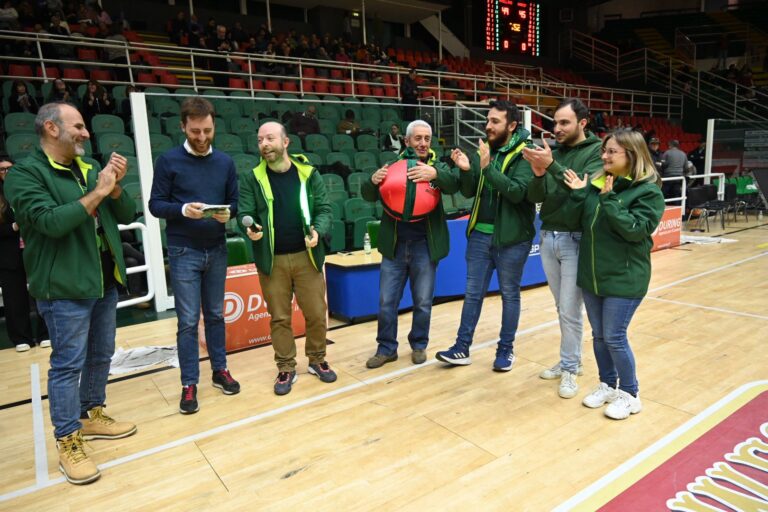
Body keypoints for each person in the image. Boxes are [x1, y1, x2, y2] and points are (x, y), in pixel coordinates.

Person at [5, 103, 137, 484]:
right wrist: (98, 192)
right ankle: (68, 439)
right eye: (78, 127)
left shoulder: (92, 168)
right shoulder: (25, 175)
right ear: (51, 128)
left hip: (103, 280)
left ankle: (92, 412)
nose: (86, 133)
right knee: (66, 366)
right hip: (64, 288)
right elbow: (49, 222)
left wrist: (114, 190)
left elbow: (125, 213)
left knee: (101, 354)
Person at [562, 129, 664, 420]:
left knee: (615, 337)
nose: (604, 156)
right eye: (604, 151)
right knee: (600, 336)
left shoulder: (647, 191)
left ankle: (631, 394)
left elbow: (635, 230)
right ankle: (608, 384)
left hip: (625, 278)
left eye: (611, 152)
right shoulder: (599, 184)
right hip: (593, 276)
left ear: (631, 155)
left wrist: (609, 201)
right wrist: (582, 194)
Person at [149, 96, 240, 415]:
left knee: (216, 315)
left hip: (216, 248)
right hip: (183, 249)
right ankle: (189, 383)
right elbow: (155, 205)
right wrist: (182, 210)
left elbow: (235, 203)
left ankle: (220, 370)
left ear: (214, 126)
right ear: (183, 127)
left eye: (207, 131)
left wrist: (227, 215)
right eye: (195, 131)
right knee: (188, 322)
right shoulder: (168, 161)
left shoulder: (225, 163)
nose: (201, 138)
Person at [435, 100, 535, 371]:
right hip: (480, 235)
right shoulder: (484, 150)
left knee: (510, 295)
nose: (488, 126)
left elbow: (516, 192)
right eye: (488, 120)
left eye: (495, 122)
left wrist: (488, 167)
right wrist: (467, 169)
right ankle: (461, 348)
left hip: (512, 238)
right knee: (472, 293)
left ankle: (505, 350)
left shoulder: (527, 154)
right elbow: (469, 192)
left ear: (512, 126)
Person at [238, 122, 335, 396]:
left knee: (316, 313)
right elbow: (243, 213)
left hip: (308, 257)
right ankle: (286, 367)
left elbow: (325, 209)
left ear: (286, 142)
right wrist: (248, 229)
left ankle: (317, 360)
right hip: (273, 261)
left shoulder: (308, 174)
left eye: (270, 138)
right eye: (260, 140)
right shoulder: (252, 178)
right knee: (279, 318)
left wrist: (319, 229)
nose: (264, 144)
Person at [522, 98, 604, 398]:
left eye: (564, 122)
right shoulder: (552, 154)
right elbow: (535, 195)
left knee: (570, 308)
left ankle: (570, 368)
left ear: (583, 123)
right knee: (561, 306)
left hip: (576, 238)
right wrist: (540, 173)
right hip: (548, 236)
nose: (556, 128)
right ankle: (573, 361)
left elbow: (583, 189)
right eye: (555, 122)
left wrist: (552, 166)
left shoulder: (597, 153)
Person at [362, 120, 459, 369]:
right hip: (395, 244)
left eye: (427, 138)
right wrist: (373, 180)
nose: (423, 143)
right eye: (418, 138)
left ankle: (419, 344)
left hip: (424, 245)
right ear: (407, 141)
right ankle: (386, 349)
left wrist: (436, 174)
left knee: (423, 301)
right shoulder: (393, 165)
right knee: (386, 301)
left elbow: (454, 185)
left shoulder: (437, 166)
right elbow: (368, 194)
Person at [0, 158, 50, 352]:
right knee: (14, 298)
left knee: (43, 291)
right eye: (1, 169)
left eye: (9, 168)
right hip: (8, 255)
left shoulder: (27, 187)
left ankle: (45, 334)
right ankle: (21, 338)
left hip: (35, 248)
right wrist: (14, 226)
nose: (5, 171)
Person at [660, 139, 687, 204]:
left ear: (670, 145)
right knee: (676, 195)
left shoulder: (667, 153)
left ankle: (661, 208)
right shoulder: (683, 154)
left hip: (668, 176)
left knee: (663, 194)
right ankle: (678, 209)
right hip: (679, 177)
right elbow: (686, 167)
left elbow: (663, 165)